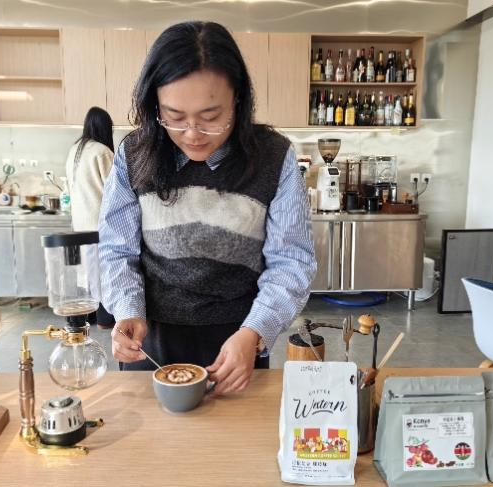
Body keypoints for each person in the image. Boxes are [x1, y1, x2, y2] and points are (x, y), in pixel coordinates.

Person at [99, 21, 315, 395]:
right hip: (150, 338)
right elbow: (117, 250)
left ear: (238, 100)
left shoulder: (273, 157)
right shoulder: (134, 153)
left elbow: (291, 261)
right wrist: (128, 310)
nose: (193, 134)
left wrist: (255, 331)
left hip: (239, 339)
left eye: (211, 117)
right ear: (154, 105)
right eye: (174, 117)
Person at [65, 106, 116, 328]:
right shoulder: (102, 152)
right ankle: (105, 319)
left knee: (86, 274)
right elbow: (116, 190)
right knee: (104, 273)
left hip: (79, 224)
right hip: (99, 224)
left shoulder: (75, 150)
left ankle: (90, 316)